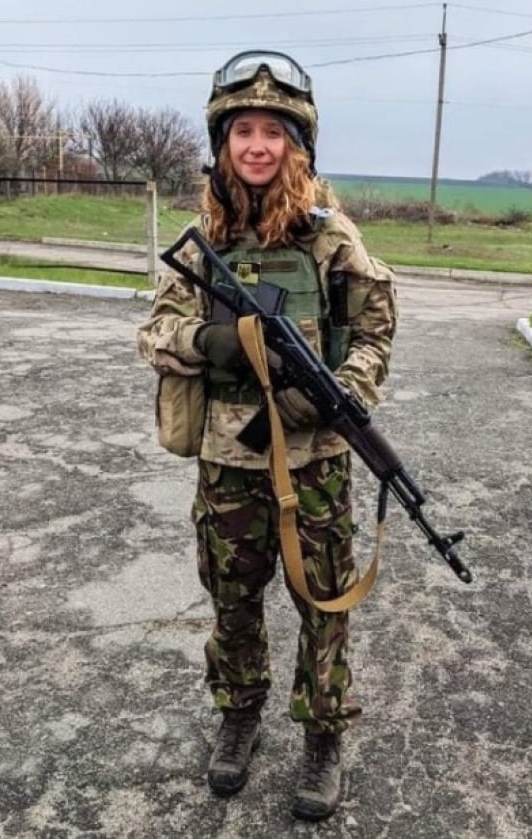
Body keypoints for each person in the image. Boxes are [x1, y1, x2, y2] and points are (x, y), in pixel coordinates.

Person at [137, 50, 396, 821]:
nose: (257, 145)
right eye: (242, 130)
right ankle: (239, 713)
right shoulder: (201, 237)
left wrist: (340, 395)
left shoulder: (329, 236)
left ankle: (323, 734)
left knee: (323, 601)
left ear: (297, 145)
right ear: (224, 143)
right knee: (232, 597)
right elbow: (154, 331)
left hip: (313, 461)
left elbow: (377, 331)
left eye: (272, 132)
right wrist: (206, 342)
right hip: (226, 459)